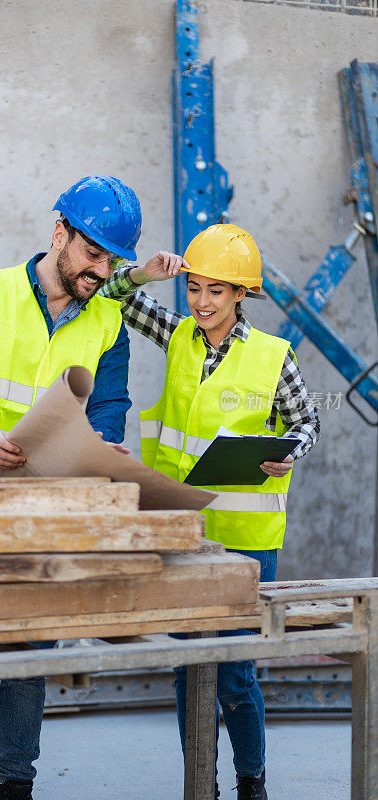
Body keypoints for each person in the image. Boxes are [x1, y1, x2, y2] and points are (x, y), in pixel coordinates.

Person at [0, 175, 172, 800]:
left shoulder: (108, 322)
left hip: (45, 511)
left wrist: (102, 441)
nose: (101, 271)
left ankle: (14, 787)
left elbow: (109, 403)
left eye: (111, 261)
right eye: (92, 254)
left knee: (28, 658)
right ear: (60, 235)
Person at [100, 223, 320, 800]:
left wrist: (287, 453)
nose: (201, 301)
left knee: (234, 670)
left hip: (247, 538)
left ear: (241, 295)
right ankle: (202, 782)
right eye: (195, 288)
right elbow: (110, 295)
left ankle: (252, 782)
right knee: (185, 666)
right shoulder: (175, 335)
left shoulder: (274, 357)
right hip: (182, 531)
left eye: (216, 291)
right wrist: (146, 272)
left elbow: (307, 423)